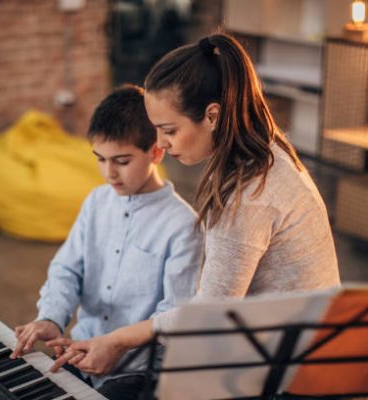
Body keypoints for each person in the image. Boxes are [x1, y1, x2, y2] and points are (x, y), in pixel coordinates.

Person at [47, 32, 340, 382]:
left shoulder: (247, 198)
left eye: (168, 130)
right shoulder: (269, 153)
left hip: (296, 372)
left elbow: (209, 314)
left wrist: (117, 340)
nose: (160, 144)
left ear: (212, 115)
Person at [10, 84, 203, 400]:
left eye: (122, 161)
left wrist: (117, 346)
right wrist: (50, 317)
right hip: (78, 352)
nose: (108, 173)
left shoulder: (184, 225)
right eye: (100, 159)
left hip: (137, 371)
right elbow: (66, 269)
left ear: (156, 151)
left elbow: (174, 316)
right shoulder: (96, 202)